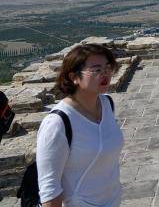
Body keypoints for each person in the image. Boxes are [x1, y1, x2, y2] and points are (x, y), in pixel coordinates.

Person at [36, 44, 123, 207]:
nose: (105, 74)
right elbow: (50, 190)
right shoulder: (58, 123)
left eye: (108, 67)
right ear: (74, 77)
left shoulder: (107, 104)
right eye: (97, 70)